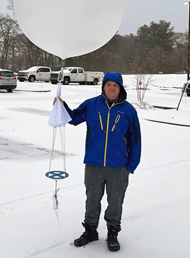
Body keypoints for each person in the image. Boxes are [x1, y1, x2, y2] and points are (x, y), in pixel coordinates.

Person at [57, 72, 141, 252]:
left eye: (115, 85)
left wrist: (131, 165)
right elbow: (73, 118)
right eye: (108, 84)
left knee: (115, 201)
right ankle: (90, 231)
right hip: (94, 163)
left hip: (118, 166)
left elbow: (135, 139)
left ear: (120, 88)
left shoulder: (128, 111)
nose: (111, 88)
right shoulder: (91, 105)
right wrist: (61, 106)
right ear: (103, 86)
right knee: (92, 199)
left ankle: (112, 233)